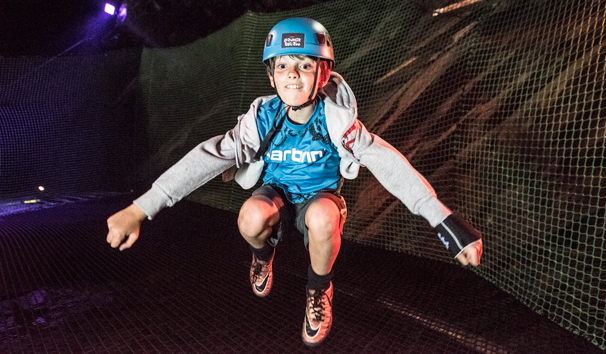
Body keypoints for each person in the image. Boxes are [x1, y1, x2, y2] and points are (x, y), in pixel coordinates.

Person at [106, 17, 483, 347]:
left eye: (304, 64)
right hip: (276, 196)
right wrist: (142, 208)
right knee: (250, 217)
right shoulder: (264, 117)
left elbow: (388, 162)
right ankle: (262, 255)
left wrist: (442, 219)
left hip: (319, 199)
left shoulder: (337, 121)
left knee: (321, 218)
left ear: (323, 72)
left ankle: (319, 289)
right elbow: (209, 155)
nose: (292, 73)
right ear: (270, 74)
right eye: (283, 65)